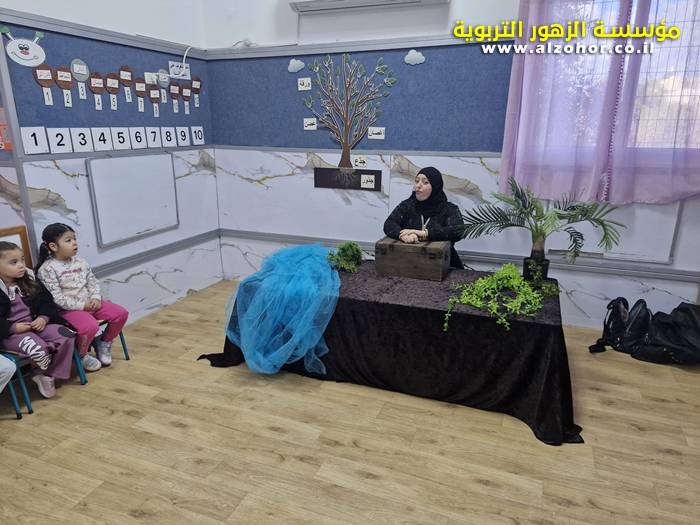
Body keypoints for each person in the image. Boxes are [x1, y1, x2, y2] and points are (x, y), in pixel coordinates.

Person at [36, 223, 128, 371]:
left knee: (120, 313)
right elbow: (56, 299)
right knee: (89, 326)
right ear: (53, 246)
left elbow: (92, 282)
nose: (74, 243)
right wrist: (82, 306)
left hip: (91, 303)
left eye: (74, 239)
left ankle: (104, 342)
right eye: (68, 240)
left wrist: (96, 298)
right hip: (68, 310)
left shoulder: (81, 262)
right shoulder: (47, 269)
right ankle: (81, 355)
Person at [0, 241, 75, 398]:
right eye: (14, 262)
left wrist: (43, 317)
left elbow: (47, 301)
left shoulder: (30, 278)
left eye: (22, 260)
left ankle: (47, 374)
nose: (21, 265)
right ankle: (40, 371)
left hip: (36, 325)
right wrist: (13, 328)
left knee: (66, 335)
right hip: (12, 334)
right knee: (39, 349)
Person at [383, 166, 465, 268]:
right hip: (408, 264)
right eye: (417, 181)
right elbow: (389, 224)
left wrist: (425, 234)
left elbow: (458, 231)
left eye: (425, 182)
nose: (418, 186)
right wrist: (401, 235)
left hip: (445, 266)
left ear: (435, 187)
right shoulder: (407, 205)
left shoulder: (449, 209)